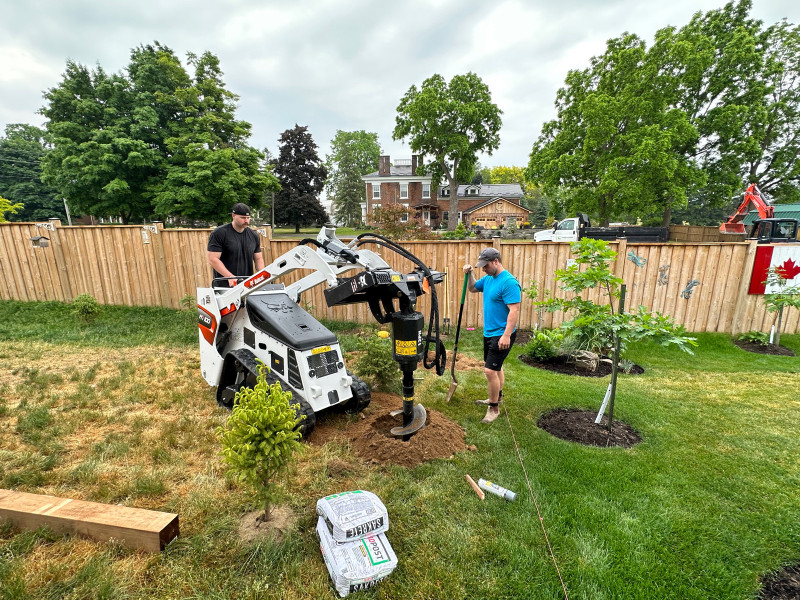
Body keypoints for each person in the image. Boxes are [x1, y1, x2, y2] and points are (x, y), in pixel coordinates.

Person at [463, 247, 521, 424]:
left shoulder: (509, 282)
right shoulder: (488, 279)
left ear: (496, 261)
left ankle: (493, 408)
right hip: (489, 332)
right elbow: (472, 288)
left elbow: (514, 310)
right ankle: (498, 396)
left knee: (489, 371)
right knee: (496, 368)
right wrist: (470, 273)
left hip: (501, 334)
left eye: (485, 265)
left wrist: (506, 336)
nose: (483, 269)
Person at [207, 203, 265, 287]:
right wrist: (230, 277)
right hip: (224, 287)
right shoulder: (219, 233)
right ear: (233, 215)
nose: (246, 221)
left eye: (248, 218)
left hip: (247, 286)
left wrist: (263, 276)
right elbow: (213, 259)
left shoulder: (253, 235)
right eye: (243, 218)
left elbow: (258, 259)